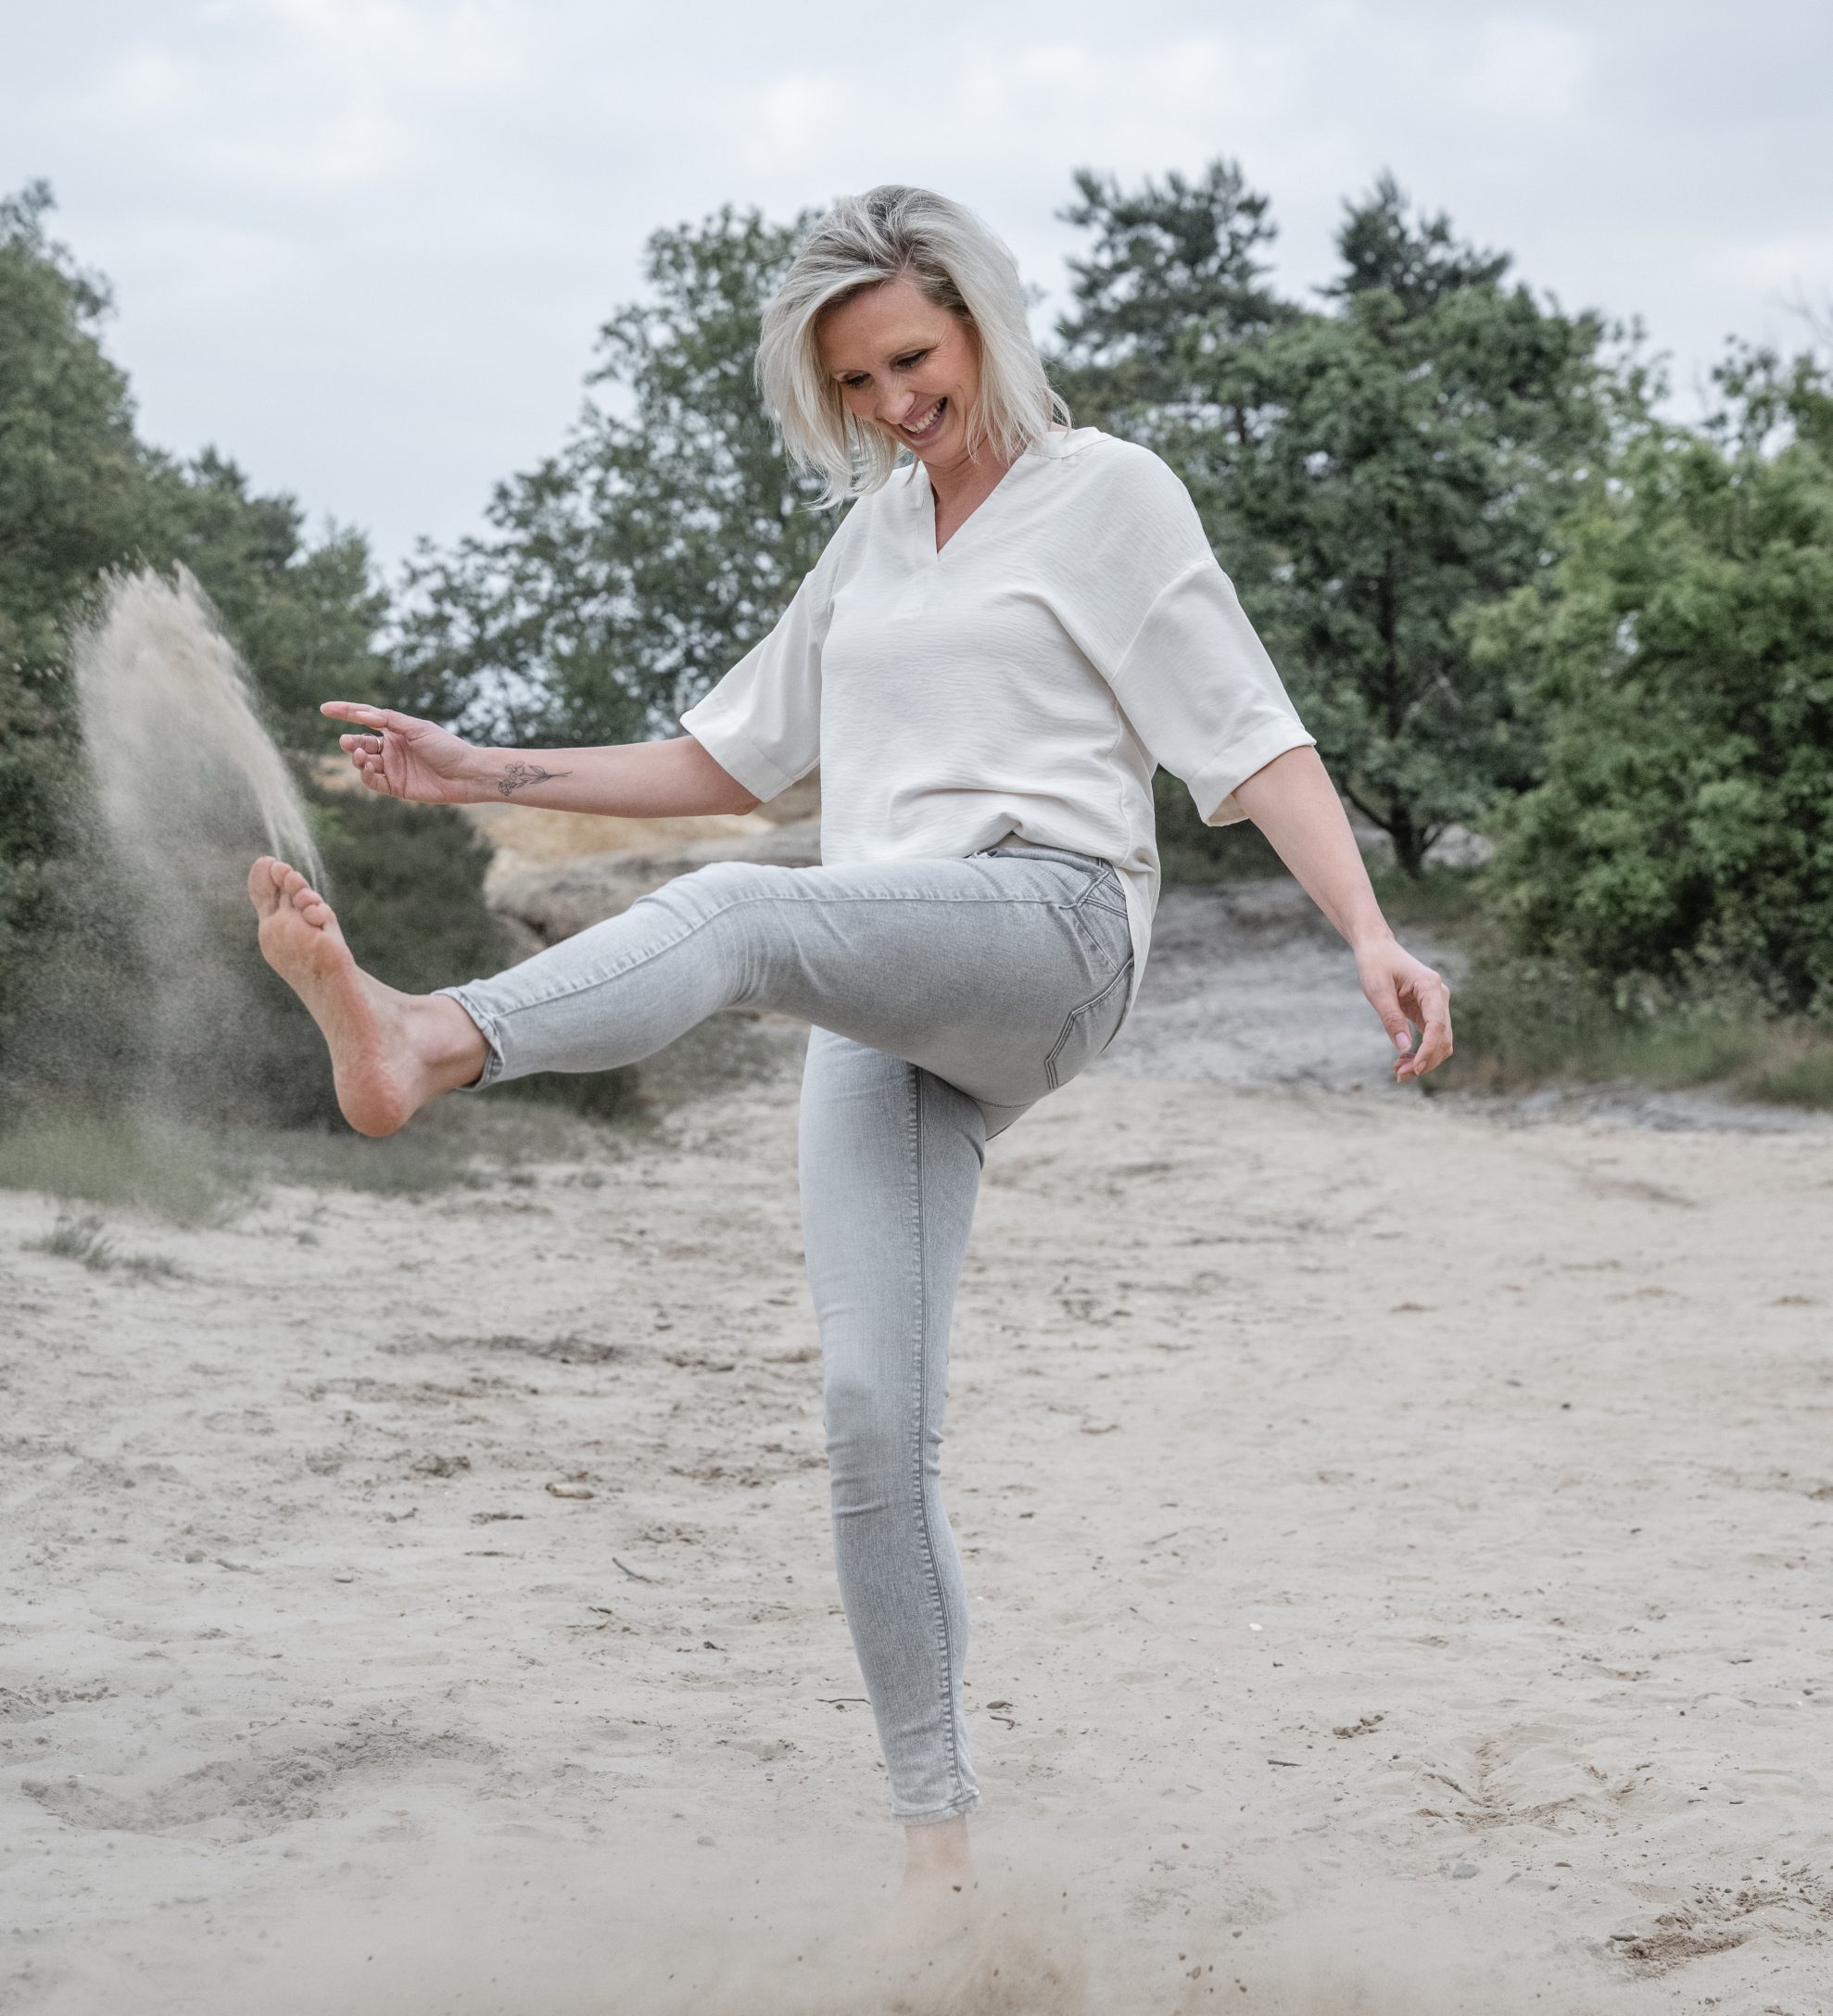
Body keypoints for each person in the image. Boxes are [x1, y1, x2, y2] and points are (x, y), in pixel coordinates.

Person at [248, 183, 1451, 1945]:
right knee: (872, 1417)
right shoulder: (875, 539)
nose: (894, 402)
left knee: (741, 913)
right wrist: (481, 765)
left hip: (1047, 926)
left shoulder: (1107, 494)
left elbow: (1249, 736)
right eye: (856, 383)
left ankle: (433, 1038)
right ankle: (936, 1870)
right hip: (888, 977)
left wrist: (1365, 929)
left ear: (979, 323)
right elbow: (727, 759)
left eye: (912, 358)